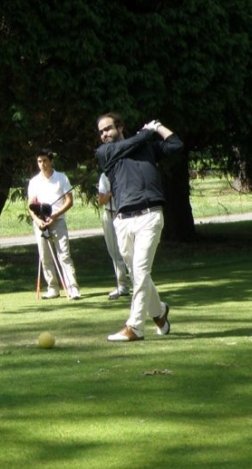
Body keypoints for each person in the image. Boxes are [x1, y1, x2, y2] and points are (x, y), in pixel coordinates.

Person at [95, 113, 184, 341]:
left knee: (141, 271)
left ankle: (134, 327)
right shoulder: (105, 153)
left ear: (120, 127)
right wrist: (147, 132)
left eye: (108, 129)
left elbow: (175, 144)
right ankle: (159, 312)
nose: (104, 134)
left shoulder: (147, 148)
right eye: (101, 131)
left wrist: (159, 126)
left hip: (149, 215)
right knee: (137, 274)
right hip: (123, 220)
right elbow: (132, 142)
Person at [27, 148, 81, 300]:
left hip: (58, 221)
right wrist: (38, 221)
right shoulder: (34, 181)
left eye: (45, 161)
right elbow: (30, 205)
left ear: (51, 161)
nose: (42, 164)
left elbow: (69, 201)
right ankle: (53, 289)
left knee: (64, 255)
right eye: (39, 161)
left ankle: (73, 289)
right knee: (45, 257)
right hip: (41, 223)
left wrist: (55, 215)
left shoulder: (61, 178)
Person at [97, 172, 130, 300]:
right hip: (110, 213)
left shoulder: (126, 172)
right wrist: (111, 192)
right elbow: (101, 200)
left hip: (126, 213)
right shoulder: (105, 176)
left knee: (128, 250)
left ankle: (139, 284)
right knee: (115, 252)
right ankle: (122, 286)